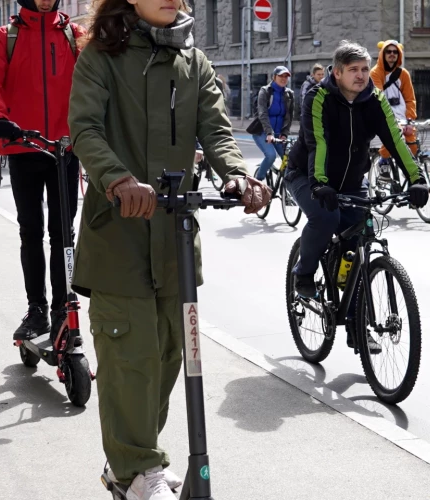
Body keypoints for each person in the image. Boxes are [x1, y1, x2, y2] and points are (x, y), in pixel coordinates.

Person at [67, 0, 269, 498]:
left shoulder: (193, 60)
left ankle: (132, 460)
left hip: (175, 237)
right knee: (129, 357)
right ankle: (136, 467)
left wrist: (236, 174)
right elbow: (85, 128)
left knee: (168, 354)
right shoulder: (101, 56)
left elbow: (216, 130)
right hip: (119, 233)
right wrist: (117, 179)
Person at [287, 41, 428, 303]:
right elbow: (317, 142)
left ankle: (355, 317)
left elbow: (395, 139)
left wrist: (416, 178)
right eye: (353, 70)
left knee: (360, 236)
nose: (361, 75)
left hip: (351, 181)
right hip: (306, 175)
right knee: (326, 218)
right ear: (337, 73)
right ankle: (304, 273)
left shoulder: (375, 100)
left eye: (364, 69)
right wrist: (319, 183)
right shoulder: (318, 97)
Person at [0, 0, 87, 341]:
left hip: (65, 149)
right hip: (23, 145)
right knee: (31, 231)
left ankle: (62, 310)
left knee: (63, 234)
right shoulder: (4, 37)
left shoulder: (75, 36)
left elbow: (95, 84)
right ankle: (37, 310)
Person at [370, 40, 418, 184]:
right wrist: (391, 119)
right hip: (384, 113)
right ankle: (383, 161)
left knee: (412, 141)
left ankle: (411, 173)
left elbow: (410, 98)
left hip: (402, 115)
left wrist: (410, 119)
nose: (392, 54)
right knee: (393, 136)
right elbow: (379, 97)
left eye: (395, 52)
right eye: (388, 51)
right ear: (382, 54)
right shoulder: (375, 73)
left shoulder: (404, 74)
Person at [246, 66, 293, 181]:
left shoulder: (289, 94)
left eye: (286, 76)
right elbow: (262, 114)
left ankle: (286, 186)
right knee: (271, 156)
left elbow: (289, 116)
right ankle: (257, 181)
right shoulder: (265, 91)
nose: (283, 79)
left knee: (289, 159)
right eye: (281, 76)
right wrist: (269, 133)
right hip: (263, 132)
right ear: (274, 77)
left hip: (278, 134)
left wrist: (284, 133)